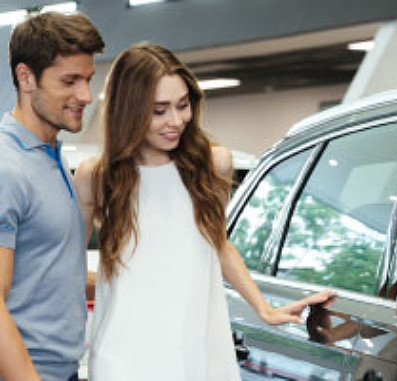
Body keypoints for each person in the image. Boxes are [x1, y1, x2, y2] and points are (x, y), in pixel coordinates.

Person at [73, 43, 336, 380]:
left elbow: (217, 243)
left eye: (183, 106)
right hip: (122, 355)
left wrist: (264, 309)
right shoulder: (94, 177)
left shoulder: (212, 164)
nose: (175, 121)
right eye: (159, 110)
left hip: (196, 348)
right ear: (128, 110)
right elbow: (69, 269)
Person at [0, 12, 104, 381]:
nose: (86, 96)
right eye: (70, 81)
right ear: (25, 77)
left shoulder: (49, 154)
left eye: (87, 79)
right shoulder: (6, 166)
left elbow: (48, 269)